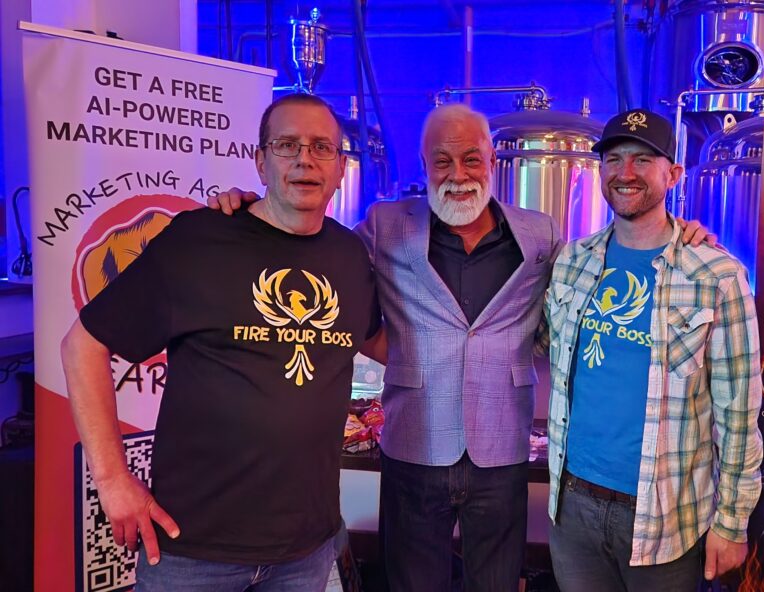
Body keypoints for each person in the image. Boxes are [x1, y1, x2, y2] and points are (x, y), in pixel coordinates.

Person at [209, 103, 712, 591]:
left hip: (503, 446)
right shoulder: (386, 224)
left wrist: (677, 233)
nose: (458, 173)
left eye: (471, 158)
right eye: (442, 160)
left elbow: (591, 278)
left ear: (491, 159)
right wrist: (256, 213)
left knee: (496, 581)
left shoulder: (540, 233)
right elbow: (316, 255)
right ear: (424, 164)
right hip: (414, 441)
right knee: (412, 582)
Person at [61, 93, 380, 591]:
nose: (305, 159)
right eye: (287, 145)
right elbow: (83, 345)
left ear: (341, 168)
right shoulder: (199, 240)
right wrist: (111, 479)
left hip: (305, 550)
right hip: (193, 550)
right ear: (259, 161)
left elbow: (383, 343)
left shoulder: (350, 256)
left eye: (322, 147)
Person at [544, 108, 763, 592]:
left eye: (643, 160)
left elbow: (739, 413)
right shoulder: (572, 262)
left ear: (674, 174)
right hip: (572, 507)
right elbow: (547, 345)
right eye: (614, 159)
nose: (626, 172)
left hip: (666, 518)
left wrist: (732, 522)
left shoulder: (717, 276)